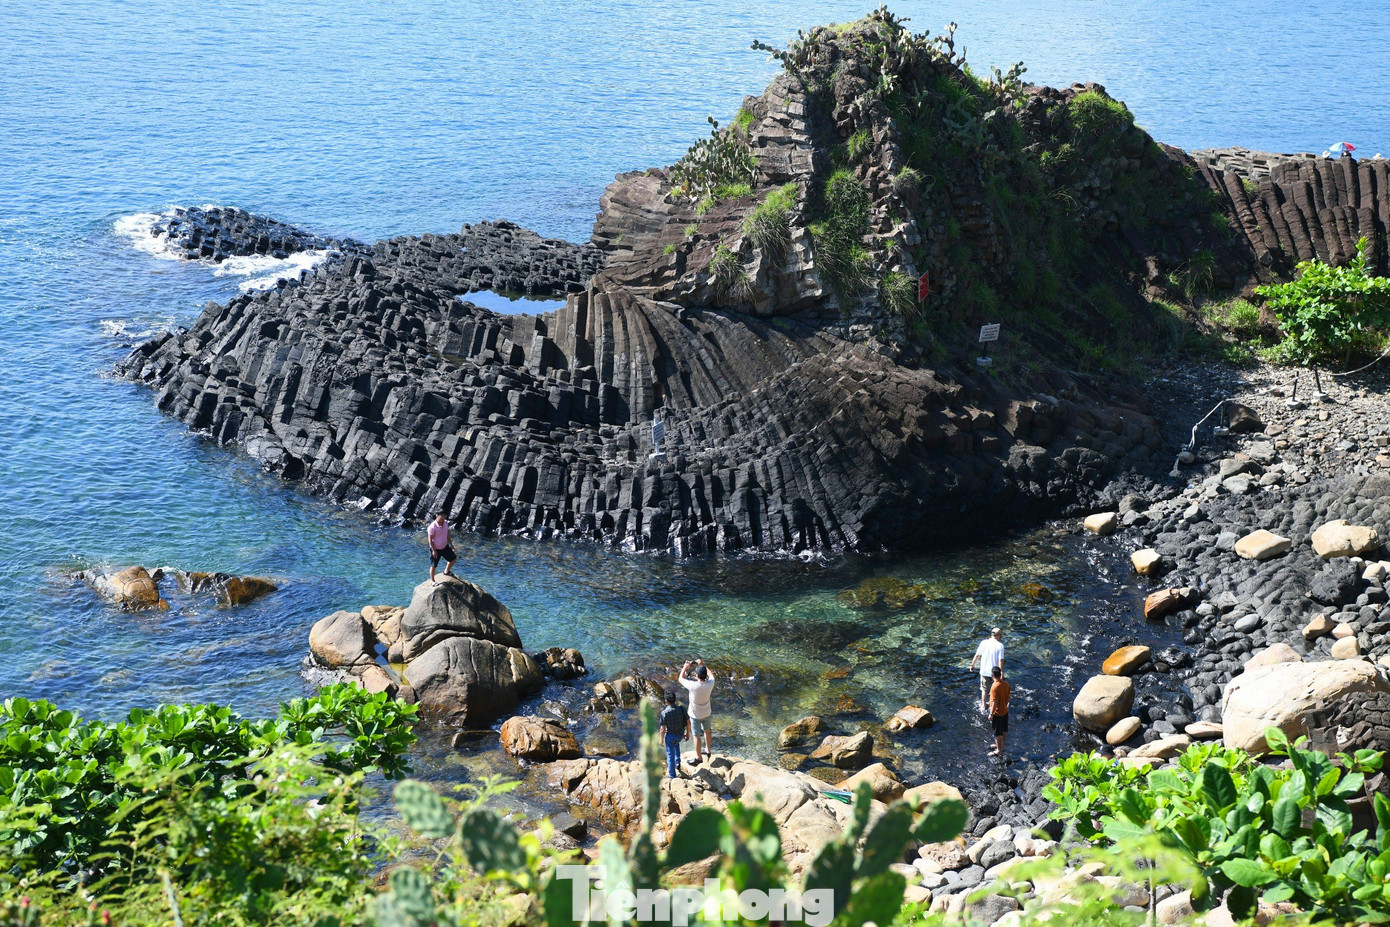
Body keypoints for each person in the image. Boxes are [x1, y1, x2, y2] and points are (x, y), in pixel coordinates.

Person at [679, 659, 715, 764]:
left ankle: (699, 758)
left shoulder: (693, 686)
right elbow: (711, 674)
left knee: (696, 735)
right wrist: (701, 665)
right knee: (707, 731)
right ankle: (708, 750)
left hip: (695, 715)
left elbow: (680, 678)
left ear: (697, 676)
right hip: (707, 713)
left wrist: (685, 667)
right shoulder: (710, 684)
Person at [969, 627, 1005, 713]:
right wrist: (1001, 672)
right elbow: (1001, 660)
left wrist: (972, 665)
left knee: (984, 689)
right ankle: (993, 705)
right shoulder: (1000, 646)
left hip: (984, 671)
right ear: (998, 636)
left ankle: (984, 705)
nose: (1001, 638)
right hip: (995, 673)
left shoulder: (983, 643)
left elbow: (977, 655)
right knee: (995, 689)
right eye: (1001, 636)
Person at [658, 691, 689, 779]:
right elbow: (688, 722)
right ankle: (678, 762)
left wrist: (661, 740)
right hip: (680, 735)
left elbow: (662, 729)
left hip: (670, 736)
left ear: (666, 701)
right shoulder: (682, 708)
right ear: (675, 700)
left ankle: (672, 775)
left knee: (670, 755)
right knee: (676, 744)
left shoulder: (664, 713)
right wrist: (687, 733)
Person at [988, 665, 1010, 757]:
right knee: (1004, 730)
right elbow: (1009, 698)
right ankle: (1002, 745)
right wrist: (1005, 705)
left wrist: (991, 714)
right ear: (1000, 674)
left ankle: (998, 750)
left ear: (992, 675)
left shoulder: (994, 687)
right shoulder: (1006, 684)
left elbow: (995, 702)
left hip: (997, 713)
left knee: (998, 733)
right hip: (1005, 711)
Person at [427, 513, 456, 582]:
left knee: (453, 559)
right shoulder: (432, 527)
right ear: (437, 515)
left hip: (444, 546)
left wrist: (451, 544)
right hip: (436, 548)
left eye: (444, 516)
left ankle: (446, 571)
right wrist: (434, 551)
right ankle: (432, 581)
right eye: (442, 516)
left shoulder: (445, 523)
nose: (443, 517)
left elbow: (447, 534)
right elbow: (430, 540)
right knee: (434, 565)